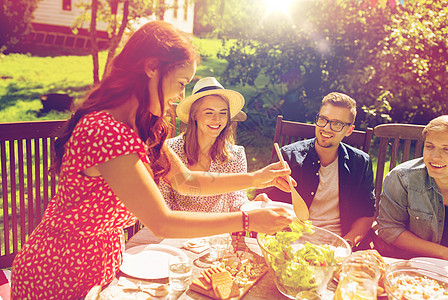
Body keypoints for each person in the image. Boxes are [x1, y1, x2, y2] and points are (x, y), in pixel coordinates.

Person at [11, 21, 294, 299]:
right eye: (181, 83)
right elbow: (161, 222)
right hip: (59, 269)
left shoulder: (142, 127)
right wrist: (246, 220)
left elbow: (188, 181)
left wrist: (257, 177)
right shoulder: (104, 130)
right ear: (151, 67)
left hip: (98, 266)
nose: (180, 96)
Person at [264, 92, 376, 249]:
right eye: (323, 119)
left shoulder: (361, 163)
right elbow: (265, 205)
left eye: (336, 124)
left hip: (336, 246)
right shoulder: (288, 157)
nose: (326, 128)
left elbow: (366, 214)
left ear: (349, 130)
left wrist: (345, 244)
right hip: (289, 244)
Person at [160, 77, 268, 212]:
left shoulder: (235, 154)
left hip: (217, 230)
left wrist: (252, 205)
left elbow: (236, 200)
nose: (217, 119)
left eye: (223, 113)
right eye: (209, 112)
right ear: (194, 115)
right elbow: (163, 200)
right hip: (175, 228)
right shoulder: (171, 150)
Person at [376, 115, 448, 260]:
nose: (434, 156)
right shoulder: (402, 178)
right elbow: (389, 229)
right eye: (429, 146)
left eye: (446, 149)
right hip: (411, 265)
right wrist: (442, 253)